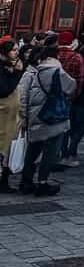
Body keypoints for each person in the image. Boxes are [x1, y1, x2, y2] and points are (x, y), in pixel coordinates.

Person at [17, 34, 77, 196]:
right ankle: (42, 182)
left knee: (33, 149)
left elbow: (24, 96)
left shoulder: (35, 70)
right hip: (51, 115)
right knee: (51, 151)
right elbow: (71, 86)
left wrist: (25, 115)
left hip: (36, 113)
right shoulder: (55, 71)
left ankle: (26, 180)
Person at [57, 36, 84, 167]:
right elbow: (79, 79)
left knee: (62, 126)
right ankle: (69, 152)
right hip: (70, 95)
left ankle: (62, 152)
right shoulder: (76, 57)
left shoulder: (55, 55)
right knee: (77, 126)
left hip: (56, 95)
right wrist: (75, 94)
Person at [0, 38, 24, 191]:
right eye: (13, 50)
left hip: (9, 115)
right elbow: (4, 89)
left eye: (17, 49)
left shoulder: (8, 65)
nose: (17, 53)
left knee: (6, 149)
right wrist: (17, 73)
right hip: (3, 115)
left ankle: (3, 180)